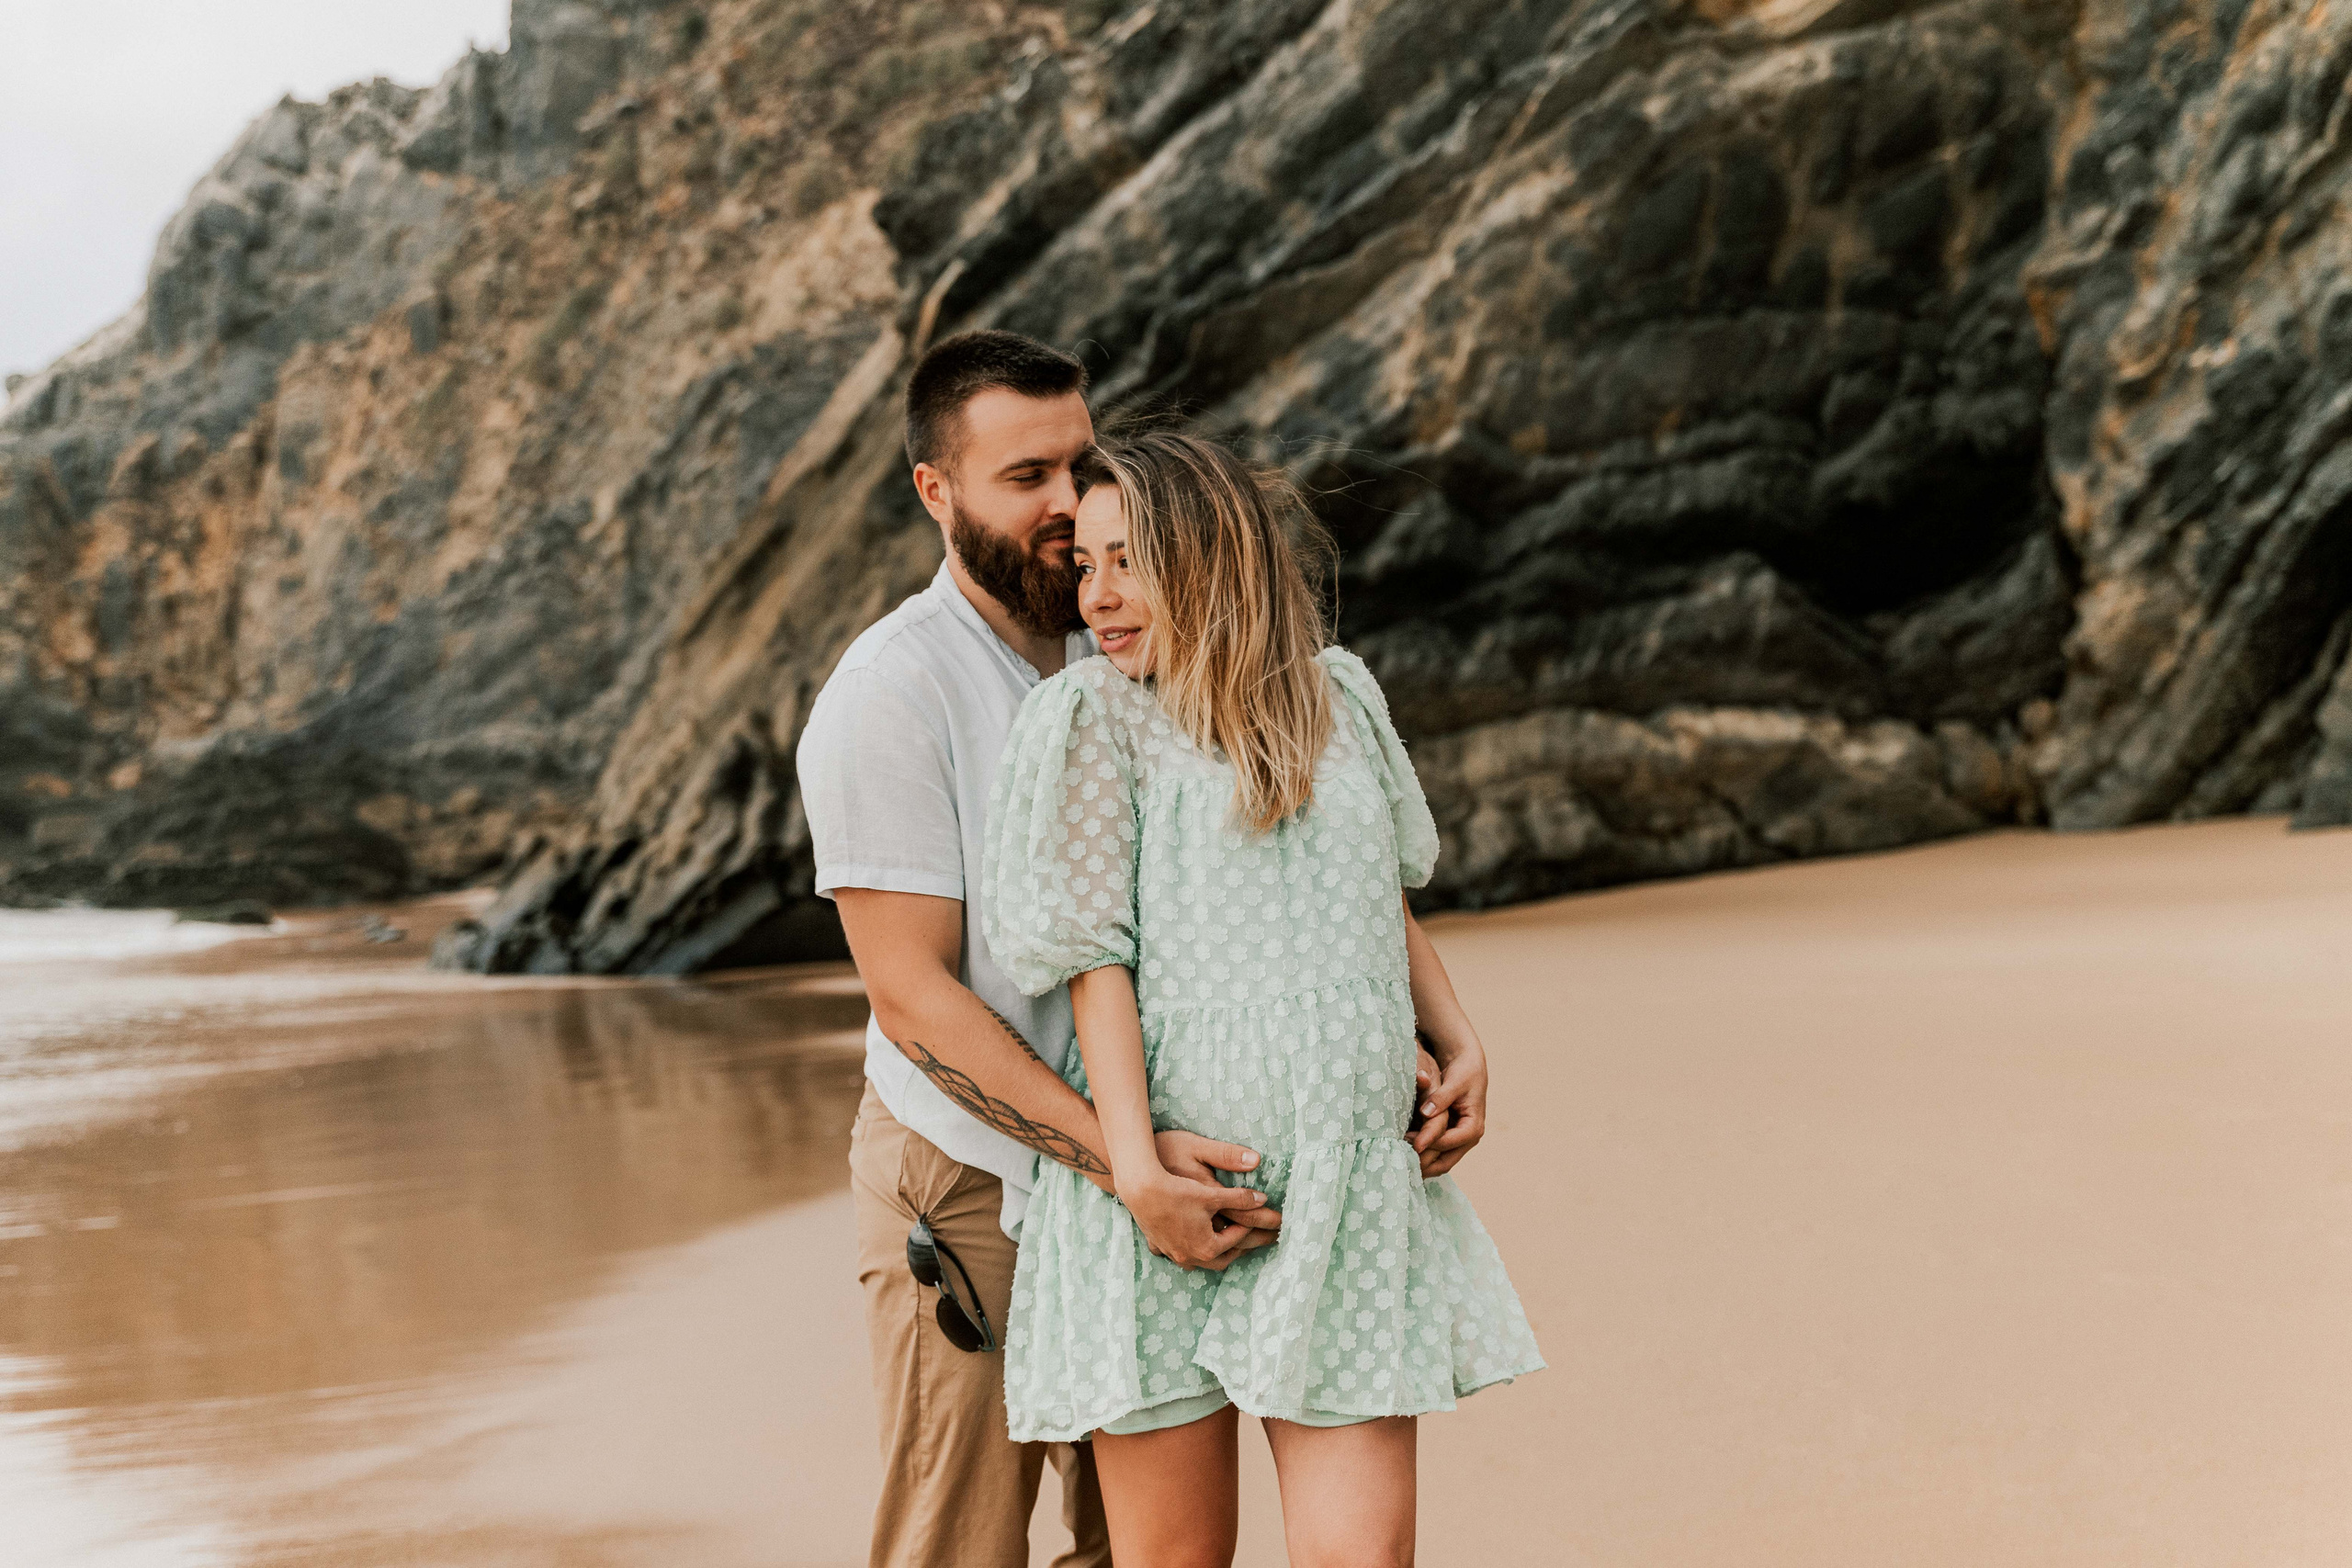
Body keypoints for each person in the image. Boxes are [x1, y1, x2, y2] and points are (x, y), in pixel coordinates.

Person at [981, 430, 1544, 1566]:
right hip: (1170, 1193)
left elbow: (1379, 895)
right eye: (1084, 565)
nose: (1098, 595)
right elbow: (1100, 964)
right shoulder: (1097, 718)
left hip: (1341, 1191)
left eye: (1127, 560)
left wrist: (1459, 1036)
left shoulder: (1334, 696)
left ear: (1210, 555)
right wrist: (1135, 1172)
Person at [797, 331, 1294, 1568]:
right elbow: (915, 999)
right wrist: (1122, 1159)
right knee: (958, 1541)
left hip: (1142, 1161)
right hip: (968, 1181)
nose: (1070, 505)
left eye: (1080, 463)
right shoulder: (890, 693)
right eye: (1026, 477)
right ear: (937, 490)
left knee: (1144, 1545)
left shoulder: (1127, 639)